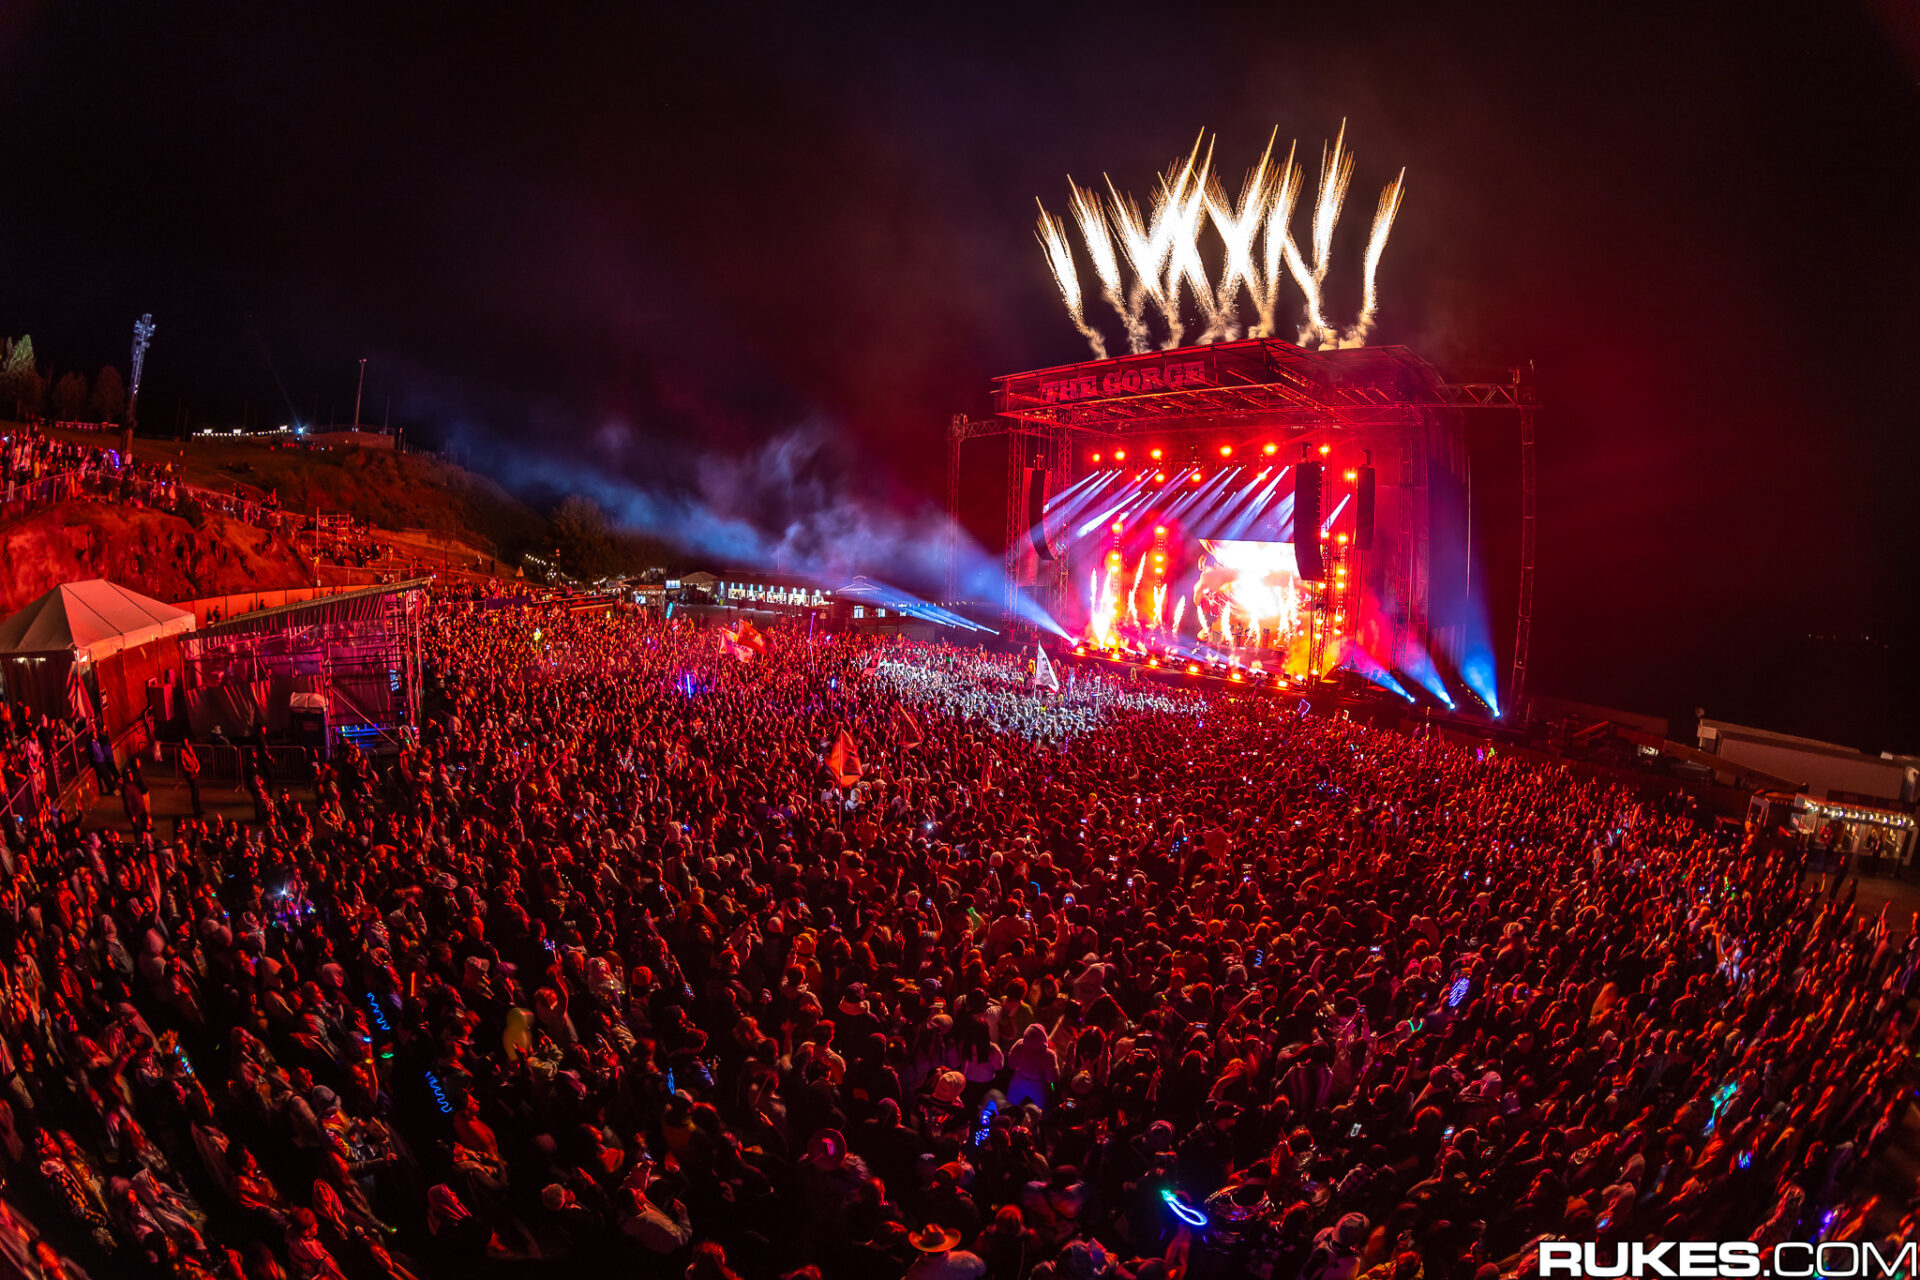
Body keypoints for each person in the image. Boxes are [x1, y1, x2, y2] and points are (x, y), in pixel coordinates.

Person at [906, 1224, 986, 1280]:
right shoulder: (967, 1258)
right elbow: (983, 1270)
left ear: (922, 1248)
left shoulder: (915, 1272)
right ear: (946, 1244)